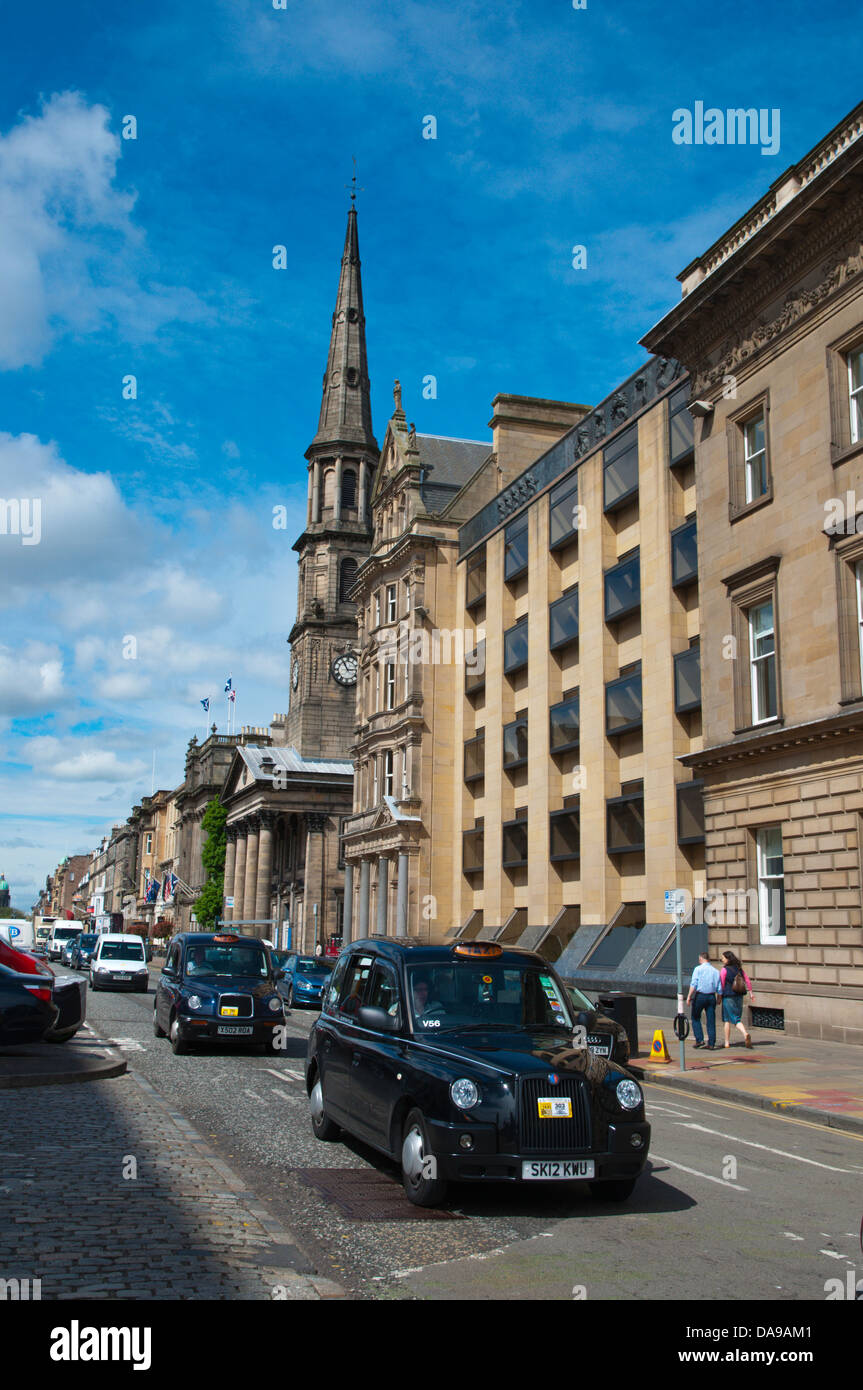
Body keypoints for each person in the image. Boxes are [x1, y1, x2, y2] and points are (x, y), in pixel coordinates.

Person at [686, 951, 721, 1050]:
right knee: (711, 1020)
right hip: (711, 997)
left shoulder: (698, 969)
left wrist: (689, 996)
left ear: (701, 959)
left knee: (696, 1017)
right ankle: (711, 1043)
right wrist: (719, 998)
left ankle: (699, 1039)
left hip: (700, 996)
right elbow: (719, 987)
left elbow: (694, 984)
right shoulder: (716, 971)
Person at [720, 950, 754, 1048]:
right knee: (732, 1018)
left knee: (731, 1020)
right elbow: (747, 980)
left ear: (727, 959)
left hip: (728, 997)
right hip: (739, 996)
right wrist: (751, 993)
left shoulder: (724, 970)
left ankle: (744, 1034)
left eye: (723, 958)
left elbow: (721, 984)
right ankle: (727, 1042)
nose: (722, 960)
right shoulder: (739, 969)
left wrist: (719, 996)